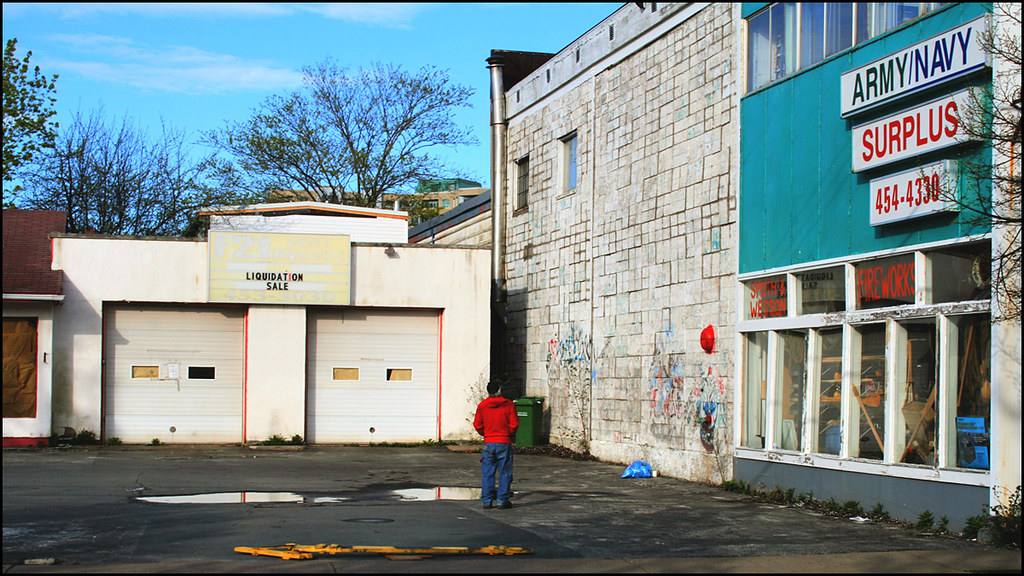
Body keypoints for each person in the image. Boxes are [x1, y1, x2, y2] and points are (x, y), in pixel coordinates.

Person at [473, 380, 519, 509]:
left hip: (489, 442)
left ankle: (487, 501)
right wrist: (508, 434)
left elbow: (477, 424)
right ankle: (502, 500)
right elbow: (514, 424)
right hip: (503, 442)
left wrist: (486, 434)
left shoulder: (482, 405)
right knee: (505, 472)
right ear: (499, 390)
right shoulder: (508, 404)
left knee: (488, 473)